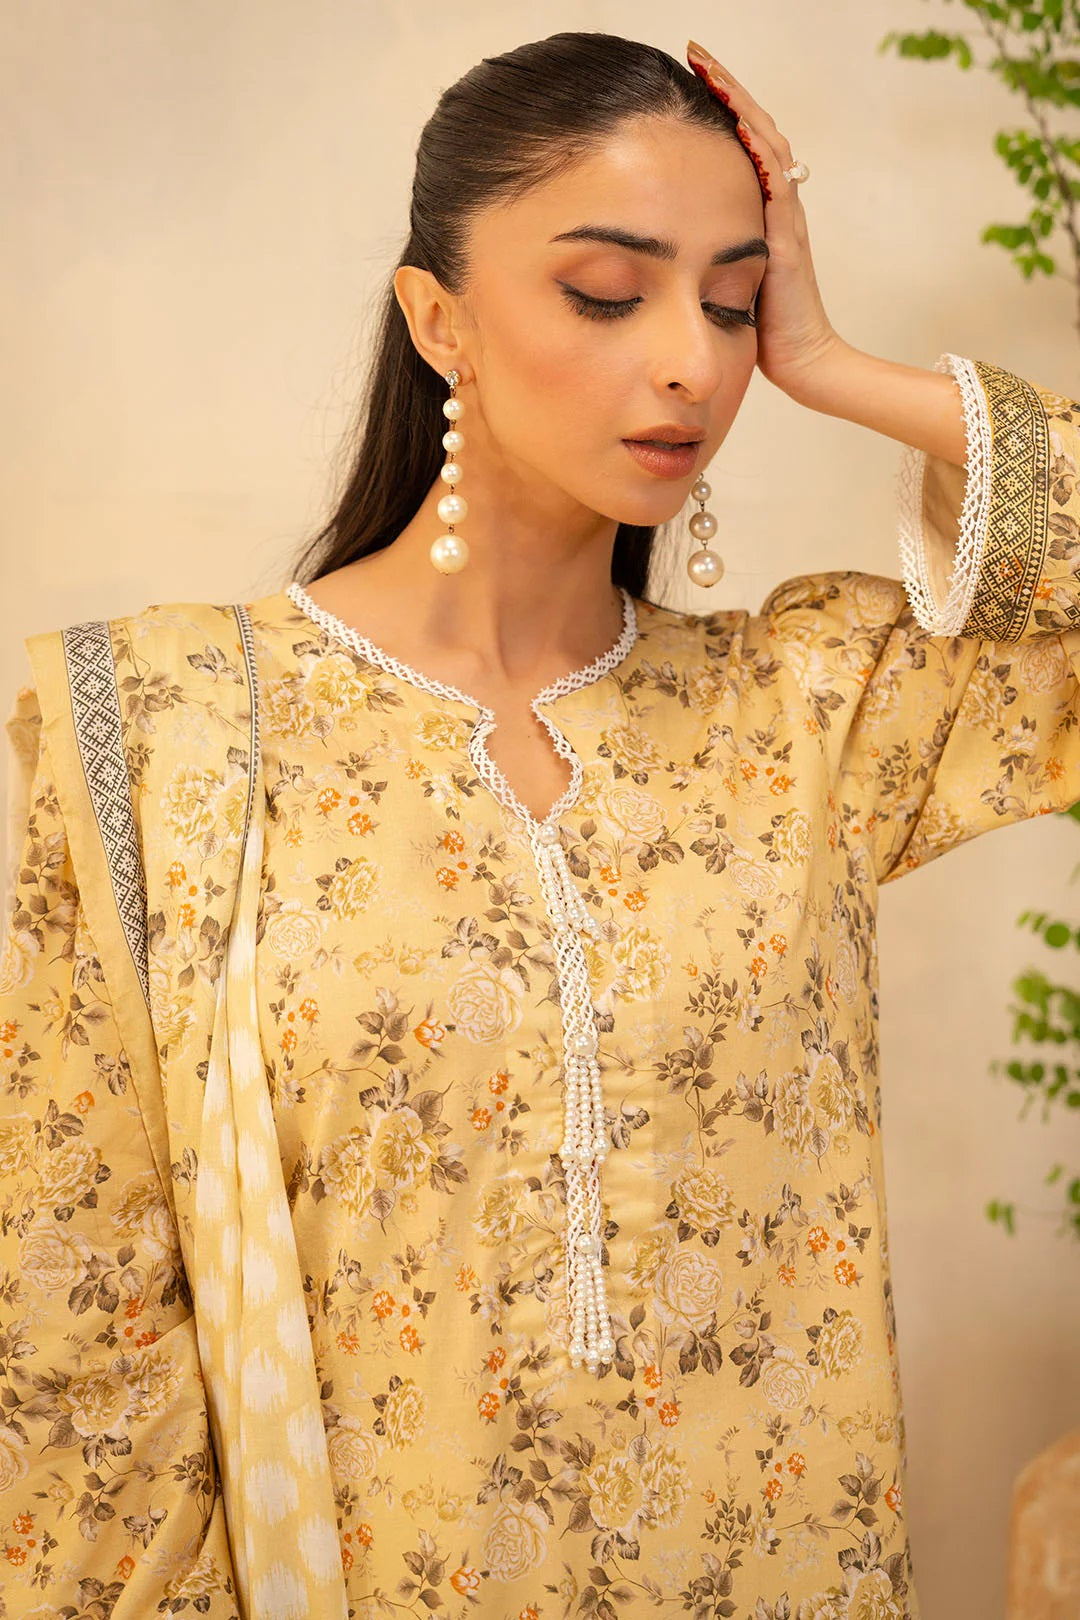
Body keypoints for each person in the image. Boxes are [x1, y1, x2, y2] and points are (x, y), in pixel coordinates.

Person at [1, 29, 1077, 1620]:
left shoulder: (811, 706)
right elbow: (75, 1346)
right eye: (606, 292)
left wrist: (836, 364)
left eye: (733, 303)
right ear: (438, 317)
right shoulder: (162, 728)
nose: (692, 362)